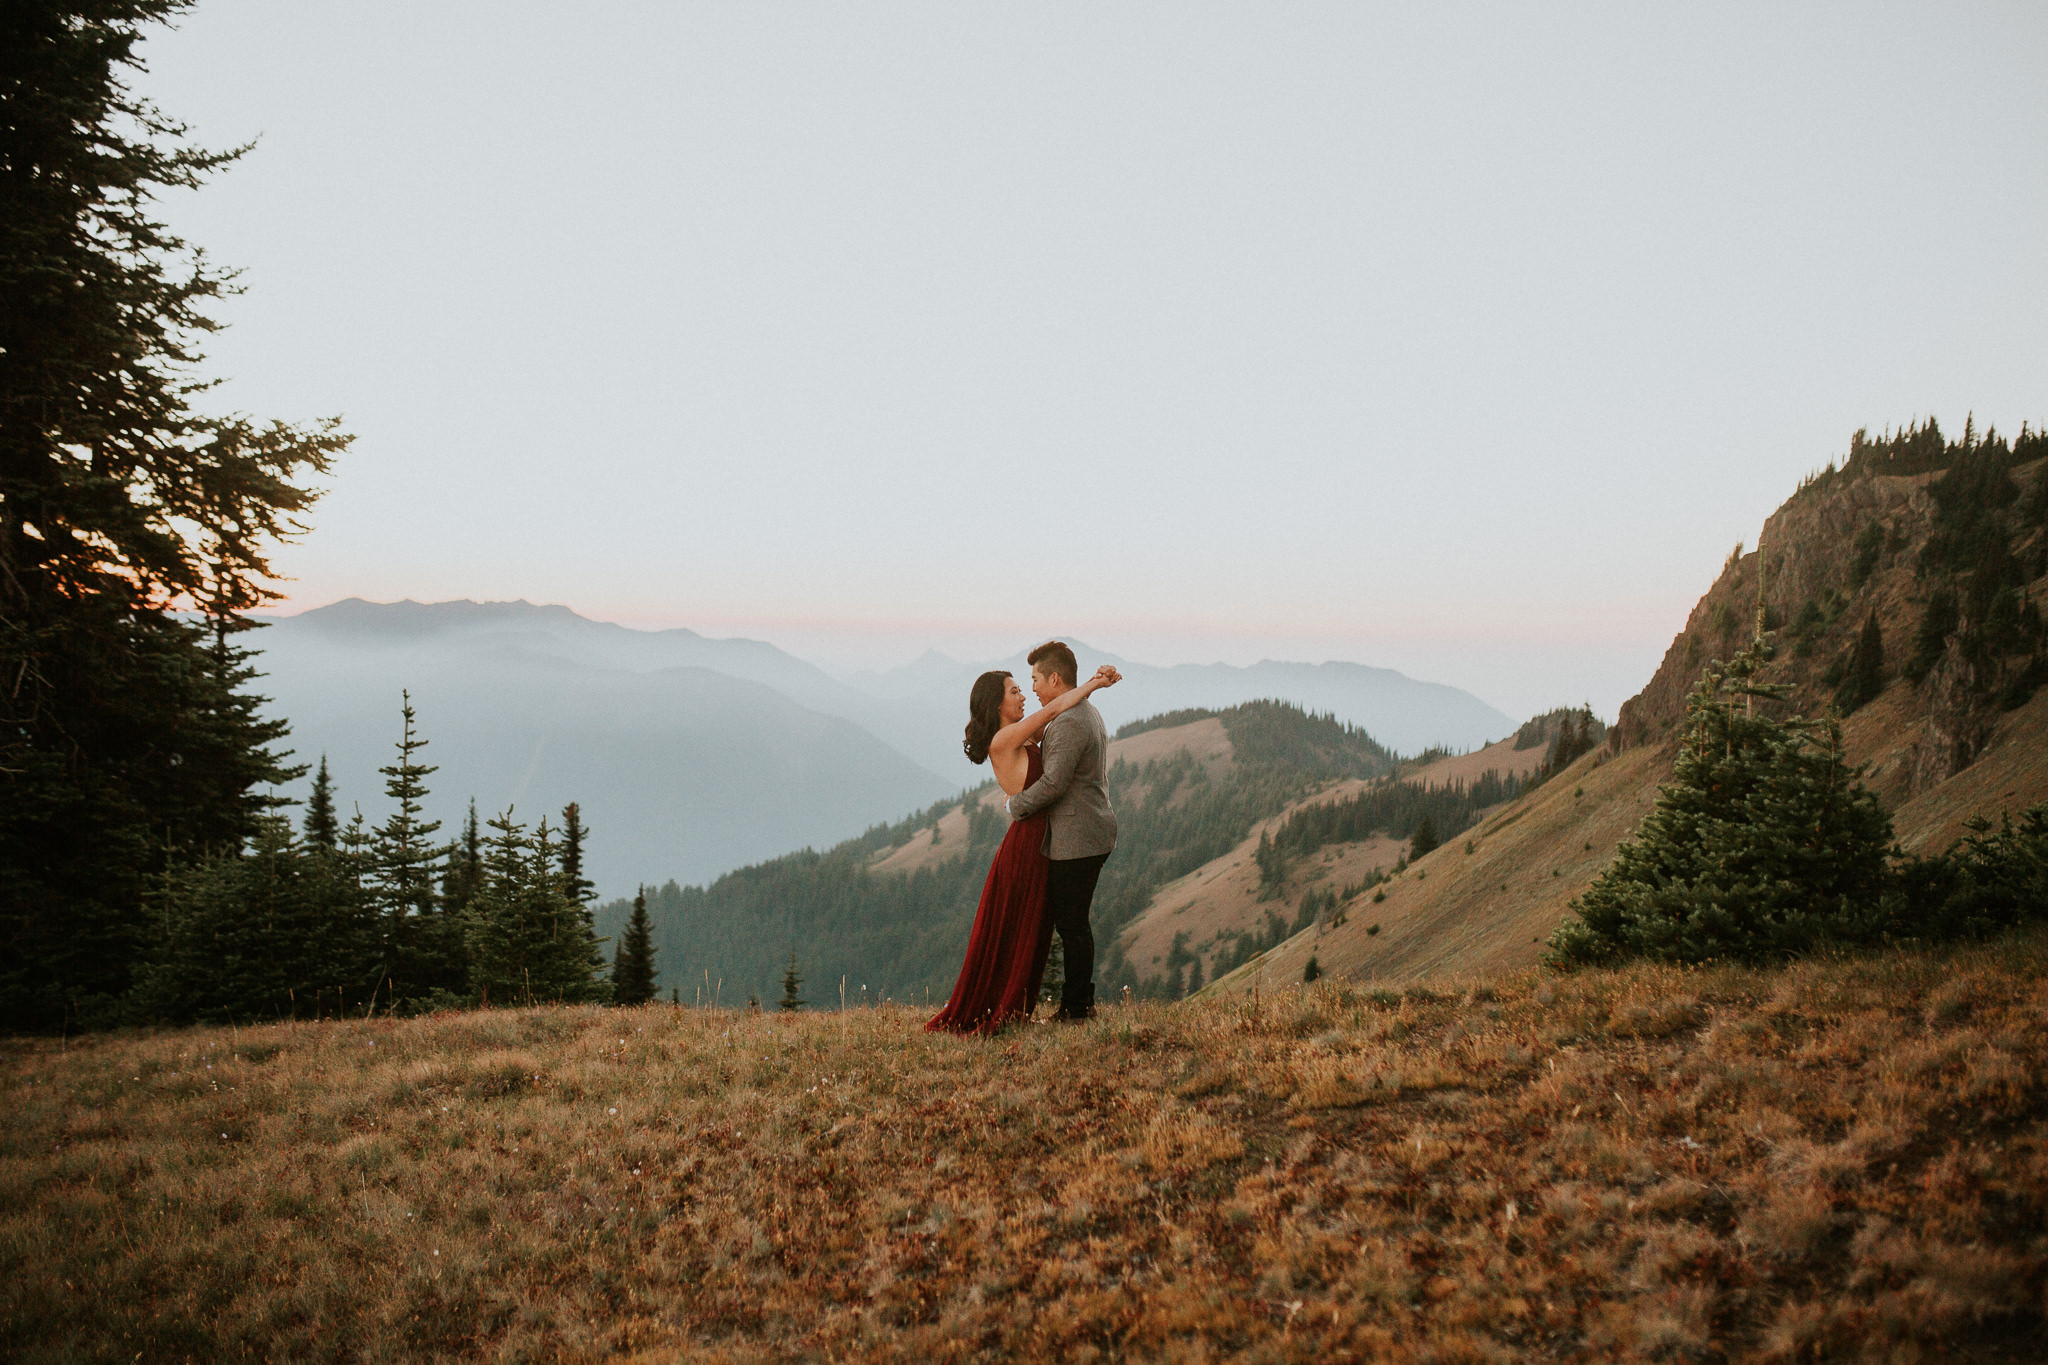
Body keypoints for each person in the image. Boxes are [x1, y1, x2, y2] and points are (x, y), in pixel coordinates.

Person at [926, 654, 1120, 1034]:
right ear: (997, 703)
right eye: (1015, 690)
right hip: (1029, 842)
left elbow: (1062, 723)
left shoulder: (1023, 734)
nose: (1024, 694)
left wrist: (1092, 687)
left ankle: (1019, 1003)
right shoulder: (1006, 737)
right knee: (1018, 926)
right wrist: (1096, 684)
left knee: (1030, 926)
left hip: (1042, 838)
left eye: (1026, 685)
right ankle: (1007, 1003)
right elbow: (1057, 708)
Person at [1004, 640, 1119, 1021]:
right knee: (1073, 922)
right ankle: (1078, 1004)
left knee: (1072, 924)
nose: (1032, 687)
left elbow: (1053, 783)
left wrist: (1014, 806)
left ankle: (1077, 1008)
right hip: (1086, 833)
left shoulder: (1069, 722)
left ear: (1055, 678)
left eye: (1035, 679)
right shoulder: (1080, 713)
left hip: (1078, 838)